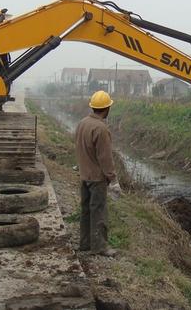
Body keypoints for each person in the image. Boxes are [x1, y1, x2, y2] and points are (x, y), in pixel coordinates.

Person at [75, 90, 118, 257]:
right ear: (107, 108)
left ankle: (85, 243)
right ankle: (100, 247)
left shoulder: (82, 123)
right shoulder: (101, 129)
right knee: (98, 211)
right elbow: (105, 158)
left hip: (84, 175)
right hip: (97, 179)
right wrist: (113, 180)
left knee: (86, 210)